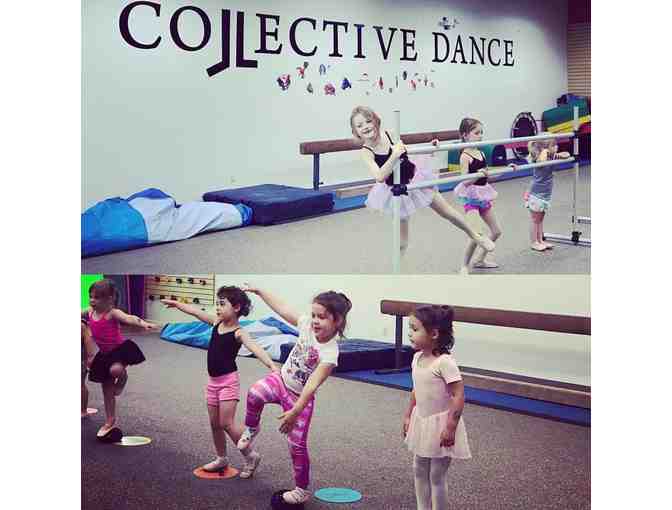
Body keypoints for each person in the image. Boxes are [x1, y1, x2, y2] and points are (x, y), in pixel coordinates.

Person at [237, 286, 351, 505]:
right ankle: (252, 428)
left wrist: (295, 411)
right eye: (313, 315)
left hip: (299, 398)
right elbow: (282, 308)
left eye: (321, 317)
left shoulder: (330, 353)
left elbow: (312, 385)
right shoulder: (306, 325)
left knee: (296, 445)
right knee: (255, 393)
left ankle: (301, 489)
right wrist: (260, 291)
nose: (315, 321)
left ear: (337, 321)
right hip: (280, 380)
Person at [350, 106, 495, 265]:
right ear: (356, 132)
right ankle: (397, 269)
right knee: (402, 241)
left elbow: (407, 152)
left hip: (415, 179)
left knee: (448, 212)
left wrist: (428, 147)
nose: (365, 127)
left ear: (376, 121)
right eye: (359, 125)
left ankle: (476, 236)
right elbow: (379, 176)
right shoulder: (366, 152)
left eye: (368, 121)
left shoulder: (389, 134)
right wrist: (394, 155)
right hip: (397, 191)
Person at [161, 286, 278, 475]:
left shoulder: (239, 332)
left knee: (226, 423)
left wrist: (272, 366)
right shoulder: (216, 323)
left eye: (222, 304)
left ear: (236, 307)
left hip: (228, 382)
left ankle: (250, 455)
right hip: (212, 382)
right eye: (217, 304)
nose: (217, 308)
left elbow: (255, 348)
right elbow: (195, 312)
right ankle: (221, 458)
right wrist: (177, 304)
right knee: (214, 424)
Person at [403, 305, 471, 510]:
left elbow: (458, 395)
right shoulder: (417, 358)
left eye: (415, 329)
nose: (410, 333)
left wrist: (450, 427)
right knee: (418, 468)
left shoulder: (445, 363)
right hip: (422, 421)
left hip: (441, 424)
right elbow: (416, 390)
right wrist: (408, 415)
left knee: (436, 475)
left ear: (433, 334)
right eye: (410, 328)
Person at [83, 279, 157, 437]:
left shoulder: (112, 313)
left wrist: (143, 323)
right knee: (107, 389)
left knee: (116, 370)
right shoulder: (89, 311)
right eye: (91, 297)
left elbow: (129, 318)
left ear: (109, 299)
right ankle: (110, 420)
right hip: (104, 355)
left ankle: (123, 378)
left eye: (97, 298)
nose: (92, 300)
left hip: (118, 351)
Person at [453, 118, 502, 274]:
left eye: (481, 133)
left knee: (496, 231)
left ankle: (480, 260)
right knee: (476, 234)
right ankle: (464, 266)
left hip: (483, 196)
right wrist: (477, 175)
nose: (480, 136)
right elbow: (465, 181)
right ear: (465, 135)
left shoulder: (481, 153)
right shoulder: (465, 156)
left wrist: (507, 169)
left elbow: (487, 176)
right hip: (471, 198)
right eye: (476, 133)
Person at [524, 139, 571, 251]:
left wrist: (554, 154)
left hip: (545, 194)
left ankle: (540, 240)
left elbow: (567, 154)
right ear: (544, 148)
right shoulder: (537, 158)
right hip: (536, 194)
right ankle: (534, 242)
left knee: (540, 219)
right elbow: (541, 161)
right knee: (535, 219)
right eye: (553, 145)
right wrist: (544, 151)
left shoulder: (551, 157)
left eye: (556, 145)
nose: (556, 147)